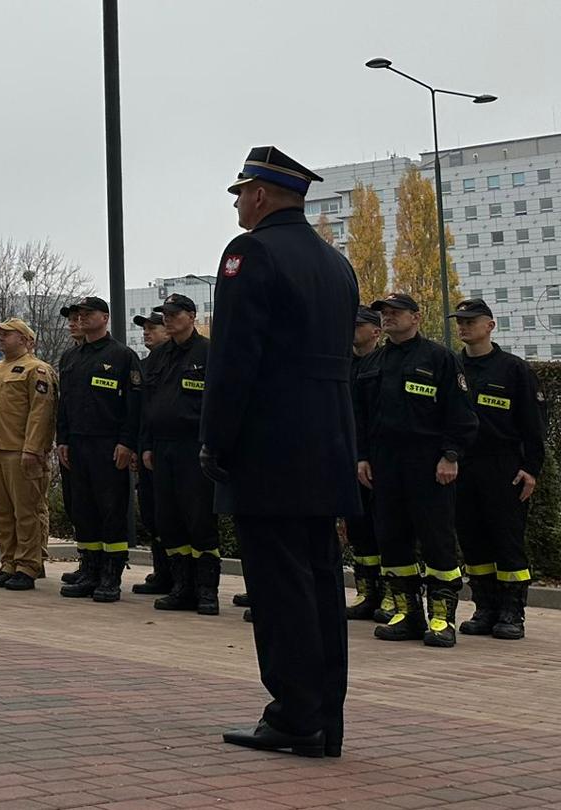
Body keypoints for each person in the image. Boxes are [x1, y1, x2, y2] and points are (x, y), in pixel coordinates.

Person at [204, 146, 359, 759]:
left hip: (269, 444)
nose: (239, 202)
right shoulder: (335, 261)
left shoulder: (250, 253)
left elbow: (235, 359)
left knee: (278, 587)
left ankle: (294, 715)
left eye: (240, 192)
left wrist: (216, 439)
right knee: (320, 580)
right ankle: (325, 717)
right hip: (326, 442)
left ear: (261, 195)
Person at [364, 291, 476, 647]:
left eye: (397, 312)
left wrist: (451, 455)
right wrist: (361, 456)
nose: (388, 317)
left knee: (437, 540)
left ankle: (442, 620)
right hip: (385, 463)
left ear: (416, 317)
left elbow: (460, 413)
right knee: (392, 540)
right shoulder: (374, 362)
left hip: (428, 463)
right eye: (384, 313)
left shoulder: (439, 358)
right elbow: (360, 416)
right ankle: (406, 614)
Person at [450, 298, 543, 640]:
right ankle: (485, 607)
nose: (463, 326)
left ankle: (512, 612)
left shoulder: (513, 369)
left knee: (507, 541)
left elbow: (534, 425)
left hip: (503, 466)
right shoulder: (452, 367)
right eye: (460, 321)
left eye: (471, 321)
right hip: (463, 465)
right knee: (473, 541)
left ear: (490, 325)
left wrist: (531, 469)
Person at [54, 295, 141, 603]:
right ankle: (89, 570)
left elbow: (133, 406)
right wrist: (61, 440)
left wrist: (126, 443)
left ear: (104, 317)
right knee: (83, 509)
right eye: (78, 314)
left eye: (88, 313)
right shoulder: (70, 358)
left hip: (108, 444)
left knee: (111, 509)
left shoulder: (122, 356)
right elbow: (64, 404)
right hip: (77, 443)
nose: (81, 318)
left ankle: (111, 575)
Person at [140, 294, 220, 615]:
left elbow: (218, 404)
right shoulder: (160, 356)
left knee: (199, 518)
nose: (168, 319)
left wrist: (213, 444)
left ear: (191, 315)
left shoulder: (209, 353)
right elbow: (149, 405)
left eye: (174, 314)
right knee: (169, 518)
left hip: (194, 446)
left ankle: (206, 591)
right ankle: (181, 587)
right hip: (163, 447)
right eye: (165, 314)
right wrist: (146, 445)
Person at [0, 318, 57, 590]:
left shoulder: (37, 370)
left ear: (27, 340)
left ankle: (28, 566)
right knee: (0, 512)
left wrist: (33, 448)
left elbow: (42, 414)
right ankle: (9, 563)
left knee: (26, 511)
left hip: (21, 452)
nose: (2, 337)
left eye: (8, 333)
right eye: (0, 334)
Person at [344, 307, 386, 621]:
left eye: (359, 325)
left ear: (376, 330)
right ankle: (366, 592)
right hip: (348, 458)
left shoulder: (385, 363)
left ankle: (391, 596)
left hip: (380, 459)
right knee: (359, 531)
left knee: (387, 528)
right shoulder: (344, 365)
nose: (352, 330)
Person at [126, 308, 171, 596]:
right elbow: (139, 413)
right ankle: (163, 572)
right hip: (148, 449)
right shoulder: (144, 365)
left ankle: (189, 579)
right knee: (153, 516)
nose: (147, 332)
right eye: (145, 328)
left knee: (180, 517)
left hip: (176, 450)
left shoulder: (190, 360)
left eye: (153, 327)